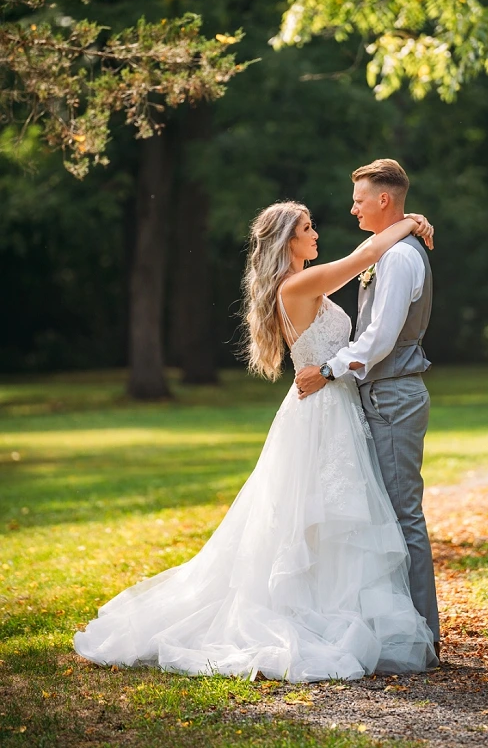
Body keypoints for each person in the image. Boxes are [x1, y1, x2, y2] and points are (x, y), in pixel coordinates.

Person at [73, 199, 438, 682]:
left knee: (326, 516)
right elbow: (363, 259)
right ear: (288, 240)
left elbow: (360, 258)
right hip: (322, 412)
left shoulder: (300, 284)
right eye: (307, 229)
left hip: (332, 406)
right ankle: (318, 615)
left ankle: (334, 604)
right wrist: (411, 222)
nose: (316, 234)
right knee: (321, 515)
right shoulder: (299, 283)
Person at [295, 159, 440, 660]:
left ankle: (422, 634)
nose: (351, 206)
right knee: (382, 515)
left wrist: (330, 370)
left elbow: (379, 336)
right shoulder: (389, 249)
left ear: (384, 200)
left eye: (359, 198)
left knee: (402, 515)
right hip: (377, 394)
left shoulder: (400, 259)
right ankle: (394, 625)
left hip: (394, 394)